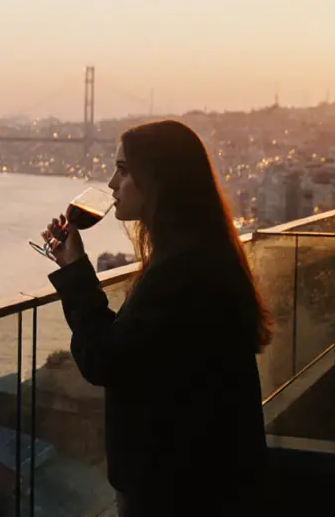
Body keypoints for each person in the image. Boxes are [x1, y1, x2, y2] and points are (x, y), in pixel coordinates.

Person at [40, 120, 272, 516]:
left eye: (124, 169)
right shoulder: (199, 255)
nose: (112, 183)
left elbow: (105, 359)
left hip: (175, 488)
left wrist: (76, 271)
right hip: (206, 476)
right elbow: (136, 345)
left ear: (160, 180)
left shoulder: (180, 270)